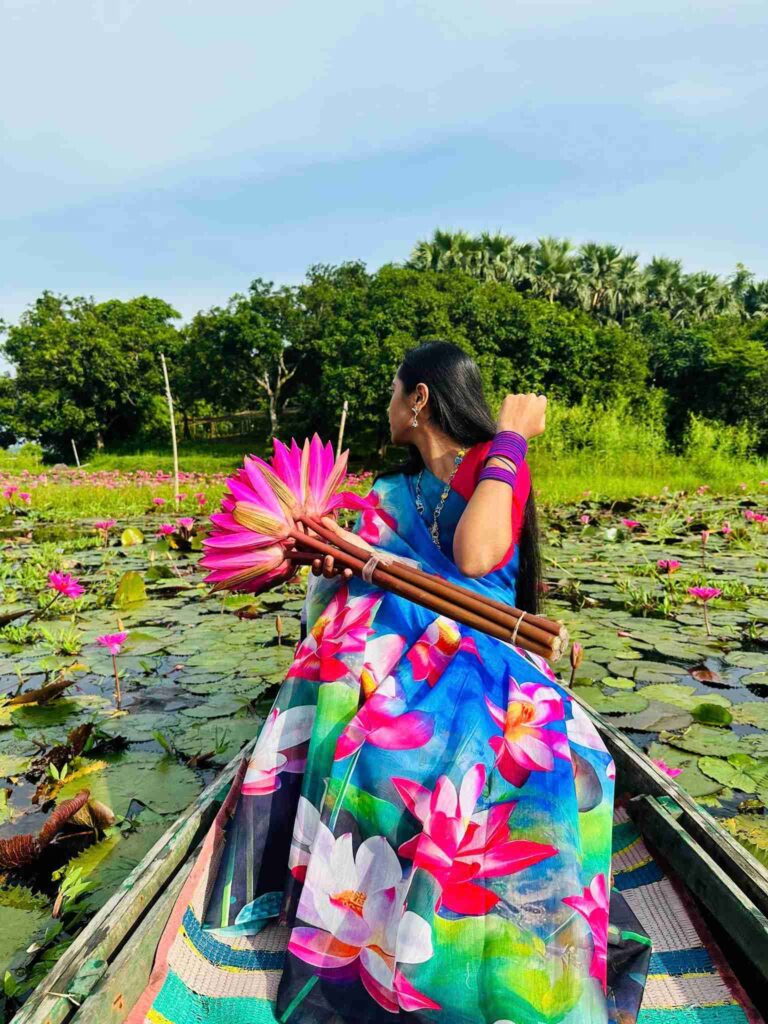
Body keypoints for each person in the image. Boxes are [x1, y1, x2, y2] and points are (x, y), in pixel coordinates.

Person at [129, 342, 651, 1024]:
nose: (385, 406)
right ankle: (357, 920)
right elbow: (346, 596)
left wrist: (514, 439)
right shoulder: (388, 493)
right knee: (357, 700)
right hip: (405, 660)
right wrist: (323, 557)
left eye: (391, 392)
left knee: (535, 762)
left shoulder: (496, 466)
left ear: (420, 399)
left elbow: (476, 555)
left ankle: (485, 960)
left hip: (493, 658)